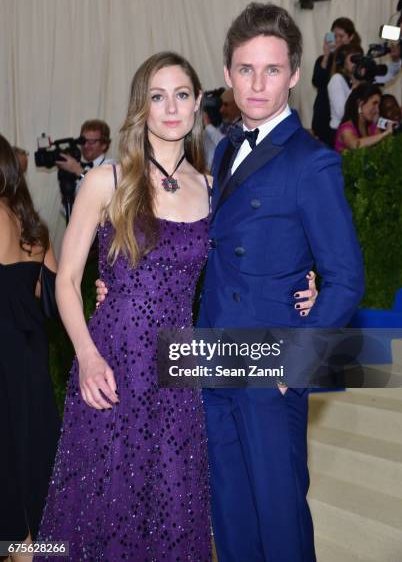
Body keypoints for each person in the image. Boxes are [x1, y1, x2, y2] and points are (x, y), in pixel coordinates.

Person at [197, 2, 364, 562]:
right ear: (227, 75)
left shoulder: (312, 162)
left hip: (271, 366)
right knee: (231, 516)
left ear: (294, 75)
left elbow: (345, 278)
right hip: (213, 358)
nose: (258, 83)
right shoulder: (222, 151)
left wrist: (297, 363)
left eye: (272, 70)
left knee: (280, 519)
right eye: (246, 69)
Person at [38, 52, 214, 561]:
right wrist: (88, 356)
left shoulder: (211, 189)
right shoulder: (107, 180)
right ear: (142, 107)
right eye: (158, 97)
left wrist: (306, 284)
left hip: (178, 370)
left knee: (173, 505)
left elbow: (240, 272)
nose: (171, 108)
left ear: (199, 103)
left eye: (182, 95)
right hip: (112, 364)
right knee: (98, 505)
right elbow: (67, 283)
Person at [0, 134, 60, 561]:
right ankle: (38, 548)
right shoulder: (35, 227)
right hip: (31, 358)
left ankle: (18, 548)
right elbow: (55, 299)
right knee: (33, 456)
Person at [311, 17, 361, 145]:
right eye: (335, 35)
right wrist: (326, 56)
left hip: (344, 117)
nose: (337, 39)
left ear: (350, 37)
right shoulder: (323, 59)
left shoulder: (355, 60)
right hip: (323, 113)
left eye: (341, 36)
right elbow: (317, 81)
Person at [55, 118, 114, 192]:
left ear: (104, 145)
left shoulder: (110, 168)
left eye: (91, 141)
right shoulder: (82, 167)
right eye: (83, 141)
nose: (85, 146)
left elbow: (99, 192)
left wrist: (78, 171)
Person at [335, 83, 394, 153]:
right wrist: (385, 134)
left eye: (378, 105)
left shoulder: (372, 126)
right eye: (374, 103)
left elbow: (383, 150)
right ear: (360, 103)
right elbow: (356, 145)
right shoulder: (346, 129)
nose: (377, 110)